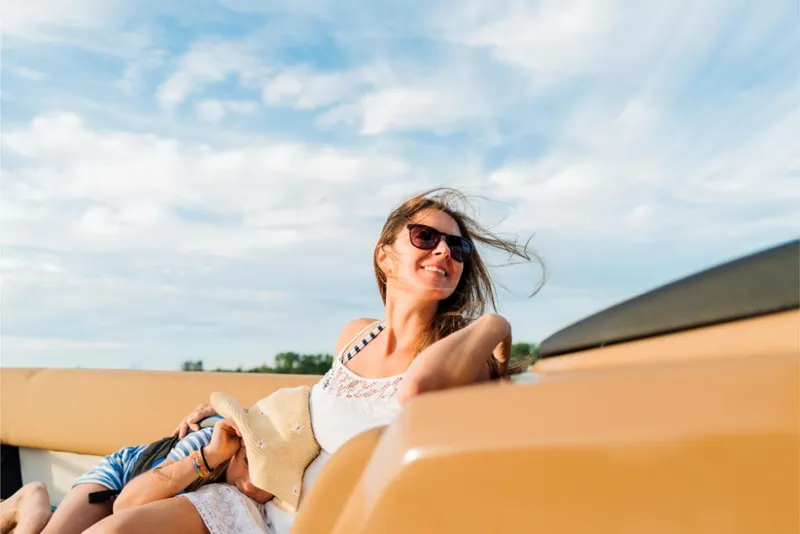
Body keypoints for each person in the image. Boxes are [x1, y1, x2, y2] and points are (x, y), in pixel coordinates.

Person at [84, 187, 542, 534]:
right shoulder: (356, 335)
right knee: (112, 528)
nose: (444, 252)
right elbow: (310, 417)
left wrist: (494, 325)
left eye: (458, 248)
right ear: (385, 256)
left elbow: (418, 387)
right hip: (258, 506)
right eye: (426, 237)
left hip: (331, 523)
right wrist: (238, 417)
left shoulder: (461, 357)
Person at [10, 386, 319, 534]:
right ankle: (29, 499)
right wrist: (208, 458)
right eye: (250, 465)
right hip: (125, 476)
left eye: (269, 481)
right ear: (239, 446)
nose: (249, 484)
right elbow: (126, 505)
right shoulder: (207, 443)